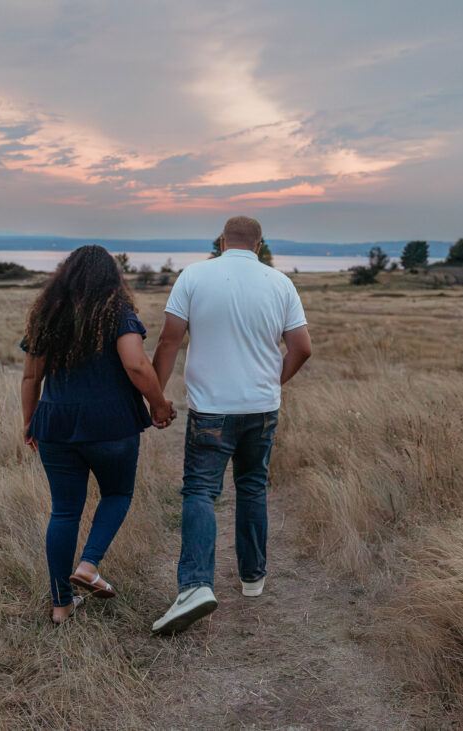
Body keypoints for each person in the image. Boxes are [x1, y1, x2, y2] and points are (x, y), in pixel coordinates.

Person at [149, 216, 312, 635]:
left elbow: (170, 341)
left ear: (222, 242)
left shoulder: (194, 276)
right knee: (253, 486)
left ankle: (195, 587)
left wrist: (156, 398)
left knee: (201, 490)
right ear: (259, 246)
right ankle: (253, 578)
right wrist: (273, 383)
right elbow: (302, 348)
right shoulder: (280, 284)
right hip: (261, 408)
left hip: (211, 409)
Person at [20, 245, 176, 625]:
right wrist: (158, 404)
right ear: (112, 278)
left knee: (64, 511)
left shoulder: (47, 315)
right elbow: (136, 364)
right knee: (118, 493)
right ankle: (89, 565)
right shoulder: (117, 313)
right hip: (112, 425)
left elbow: (30, 377)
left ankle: (61, 605)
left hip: (55, 425)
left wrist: (30, 421)